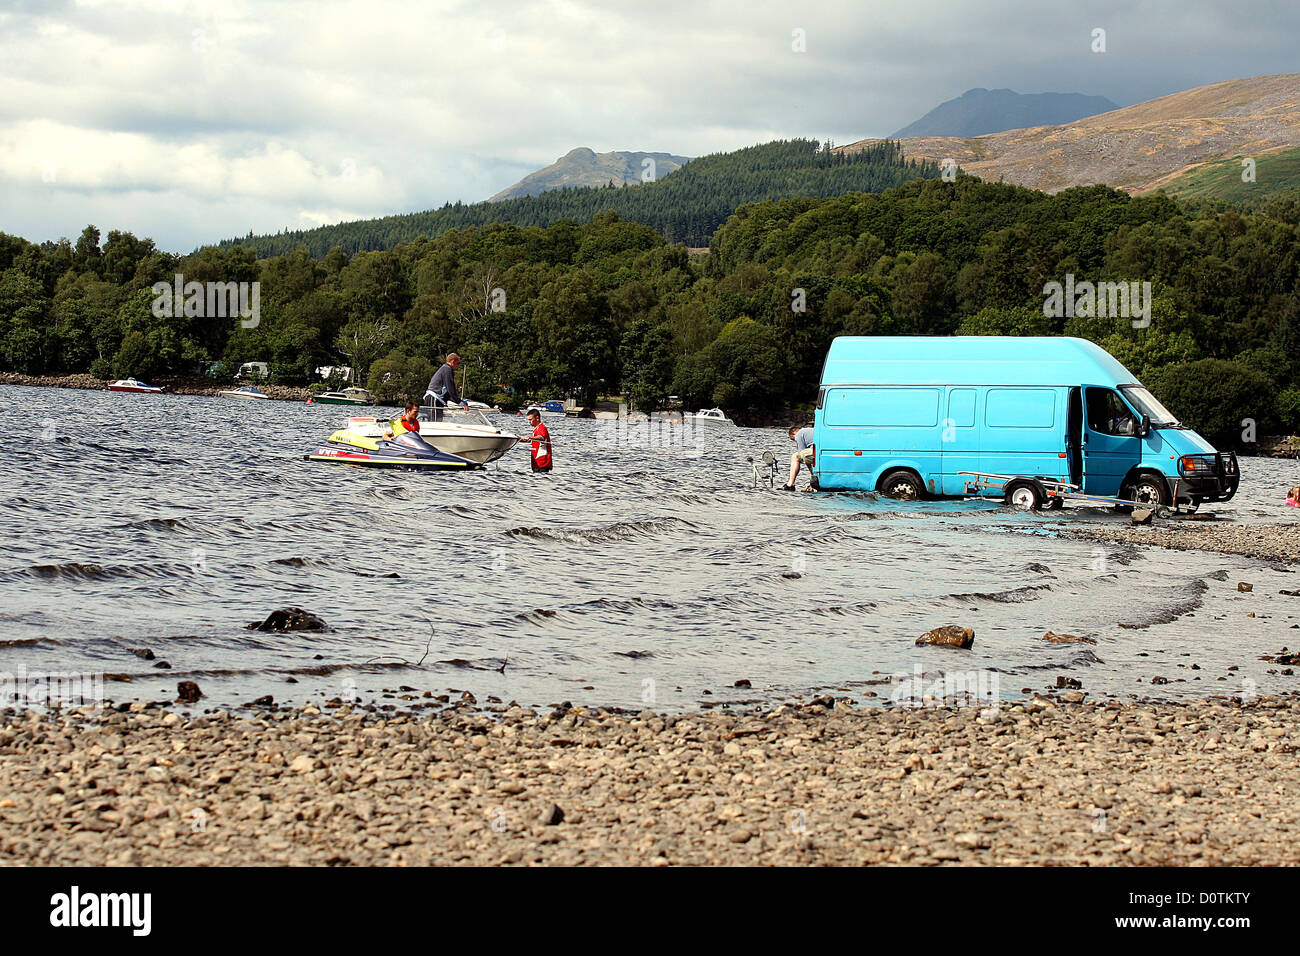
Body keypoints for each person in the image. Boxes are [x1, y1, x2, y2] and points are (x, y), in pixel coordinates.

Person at [426, 352, 468, 420]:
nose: (457, 366)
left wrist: (458, 401)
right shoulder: (447, 369)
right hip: (434, 398)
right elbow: (450, 388)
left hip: (437, 399)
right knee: (434, 423)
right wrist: (459, 402)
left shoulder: (445, 369)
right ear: (453, 362)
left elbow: (448, 393)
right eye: (457, 364)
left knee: (438, 421)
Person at [784, 424, 816, 491]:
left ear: (794, 434)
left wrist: (812, 474)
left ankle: (790, 484)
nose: (796, 441)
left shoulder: (799, 434)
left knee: (795, 456)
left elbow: (804, 456)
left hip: (817, 450)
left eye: (794, 440)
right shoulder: (809, 430)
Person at [526, 407, 552, 472]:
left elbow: (542, 437)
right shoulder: (536, 429)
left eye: (530, 419)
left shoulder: (542, 427)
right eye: (528, 420)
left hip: (542, 463)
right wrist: (518, 439)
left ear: (537, 418)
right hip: (536, 463)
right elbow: (530, 440)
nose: (529, 422)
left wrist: (530, 437)